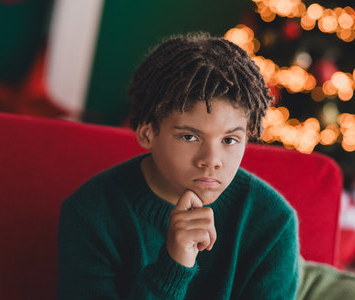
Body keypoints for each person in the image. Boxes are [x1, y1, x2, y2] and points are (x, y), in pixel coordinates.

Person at [58, 32, 299, 299]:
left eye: (230, 139)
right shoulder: (90, 214)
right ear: (147, 133)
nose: (211, 160)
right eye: (189, 137)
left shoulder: (272, 221)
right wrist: (174, 267)